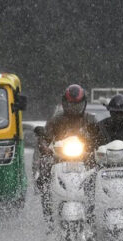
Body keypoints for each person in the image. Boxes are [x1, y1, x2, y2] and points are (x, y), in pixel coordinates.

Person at [37, 84, 100, 220]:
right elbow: (44, 138)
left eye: (77, 105)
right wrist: (45, 147)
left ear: (84, 104)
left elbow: (100, 138)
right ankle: (48, 209)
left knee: (99, 173)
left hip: (86, 158)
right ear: (64, 103)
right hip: (60, 158)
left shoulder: (90, 120)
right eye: (71, 104)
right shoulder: (56, 120)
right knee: (44, 170)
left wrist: (97, 150)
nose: (73, 108)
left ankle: (95, 210)